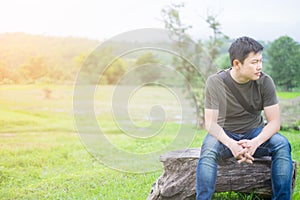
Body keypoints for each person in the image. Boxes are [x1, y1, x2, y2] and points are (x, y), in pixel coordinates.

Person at [196, 36, 293, 200]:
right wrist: (231, 144)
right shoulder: (215, 82)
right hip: (224, 135)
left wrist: (255, 142)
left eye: (261, 61)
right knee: (208, 152)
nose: (259, 67)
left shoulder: (265, 82)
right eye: (254, 62)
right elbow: (211, 124)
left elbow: (274, 122)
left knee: (282, 144)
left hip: (255, 133)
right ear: (236, 64)